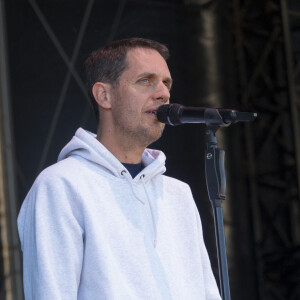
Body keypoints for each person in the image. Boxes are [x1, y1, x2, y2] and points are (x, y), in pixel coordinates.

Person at [17, 38, 221, 299]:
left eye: (166, 83)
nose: (163, 94)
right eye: (145, 80)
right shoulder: (61, 185)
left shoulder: (178, 194)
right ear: (104, 95)